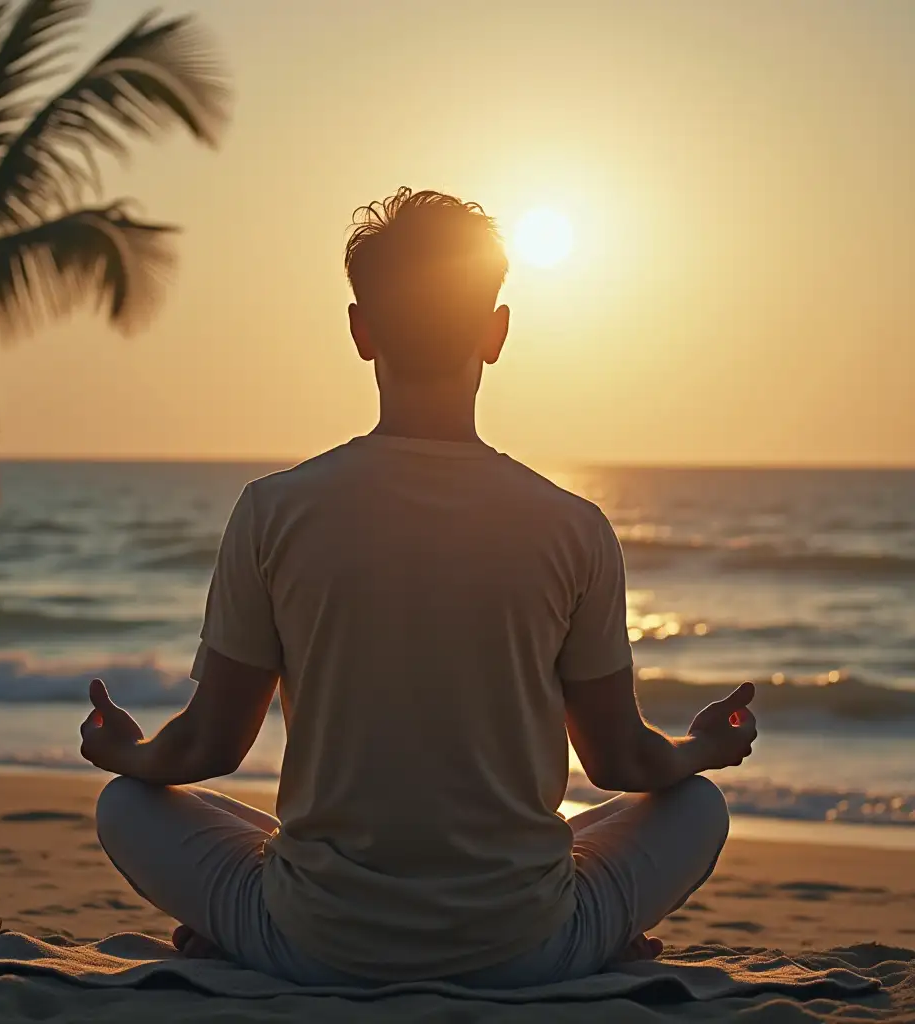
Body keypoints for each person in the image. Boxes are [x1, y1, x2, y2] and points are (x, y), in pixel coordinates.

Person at [81, 187, 758, 987]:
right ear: (496, 333)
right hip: (528, 949)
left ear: (362, 333)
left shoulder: (274, 511)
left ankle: (248, 931)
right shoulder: (574, 527)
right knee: (699, 805)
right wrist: (704, 748)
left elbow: (210, 747)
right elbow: (617, 760)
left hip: (314, 941)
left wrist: (129, 751)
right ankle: (589, 936)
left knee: (127, 803)